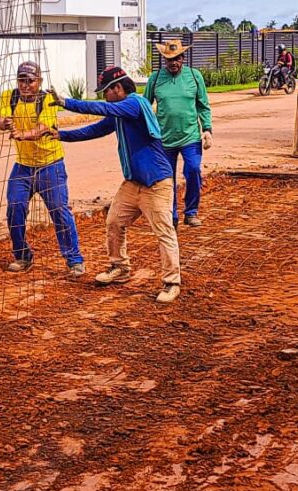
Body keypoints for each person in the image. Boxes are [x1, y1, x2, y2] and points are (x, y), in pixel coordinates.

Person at [50, 67, 181, 303]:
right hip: (133, 183)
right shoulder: (120, 113)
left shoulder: (134, 104)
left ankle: (171, 282)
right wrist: (61, 135)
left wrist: (65, 102)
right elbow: (95, 129)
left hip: (157, 182)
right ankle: (120, 267)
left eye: (105, 92)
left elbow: (103, 108)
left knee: (164, 233)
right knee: (114, 222)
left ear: (118, 88)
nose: (103, 97)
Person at [0, 61, 84, 277]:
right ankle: (23, 255)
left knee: (59, 211)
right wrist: (4, 122)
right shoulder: (9, 96)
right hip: (23, 166)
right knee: (14, 207)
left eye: (30, 81)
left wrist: (21, 135)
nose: (25, 85)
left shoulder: (47, 100)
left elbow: (43, 129)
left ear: (39, 81)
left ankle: (74, 260)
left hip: (50, 165)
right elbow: (0, 119)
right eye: (21, 80)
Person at [144, 39, 213, 228]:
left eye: (177, 58)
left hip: (190, 136)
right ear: (164, 60)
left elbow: (203, 105)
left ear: (183, 58)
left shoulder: (194, 76)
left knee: (193, 170)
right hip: (164, 140)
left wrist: (207, 129)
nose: (173, 63)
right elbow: (145, 106)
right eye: (169, 59)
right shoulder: (156, 79)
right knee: (167, 179)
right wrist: (145, 130)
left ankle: (191, 212)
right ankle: (171, 216)